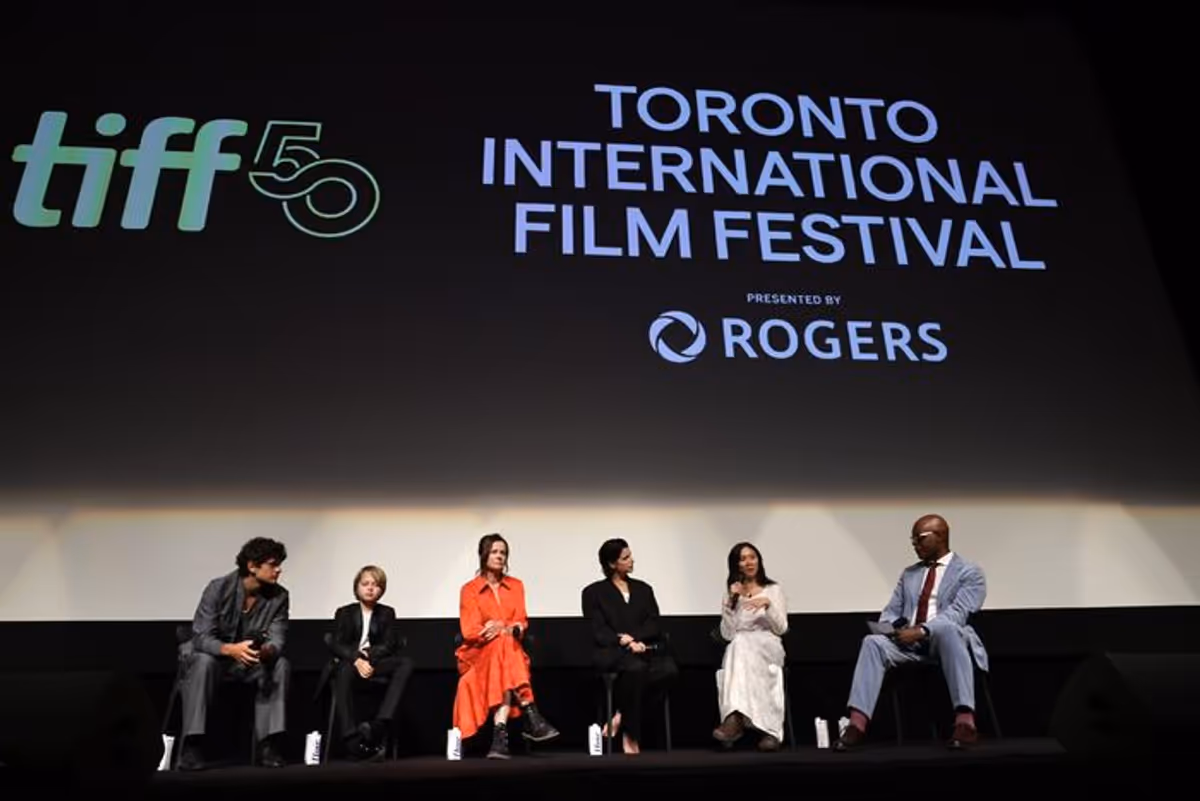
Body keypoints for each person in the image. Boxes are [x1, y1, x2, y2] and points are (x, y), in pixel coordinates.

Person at [834, 514, 988, 751]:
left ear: (940, 535)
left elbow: (958, 614)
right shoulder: (909, 574)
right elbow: (890, 612)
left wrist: (923, 630)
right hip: (908, 644)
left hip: (946, 641)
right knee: (872, 642)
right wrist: (896, 628)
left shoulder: (969, 572)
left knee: (947, 628)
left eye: (920, 539)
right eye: (912, 540)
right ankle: (857, 725)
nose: (915, 545)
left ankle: (965, 722)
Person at [178, 537, 290, 771]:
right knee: (203, 661)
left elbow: (278, 637)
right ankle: (192, 744)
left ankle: (267, 744)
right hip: (215, 658)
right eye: (272, 564)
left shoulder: (279, 596)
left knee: (281, 665)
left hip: (250, 661)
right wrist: (231, 649)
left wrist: (267, 651)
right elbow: (201, 636)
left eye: (279, 564)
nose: (278, 569)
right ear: (252, 566)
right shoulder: (217, 588)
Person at [453, 533, 559, 759]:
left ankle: (499, 738)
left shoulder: (516, 586)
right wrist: (504, 629)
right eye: (494, 552)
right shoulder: (469, 589)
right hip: (477, 655)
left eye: (503, 553)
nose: (499, 556)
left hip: (507, 652)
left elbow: (521, 622)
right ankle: (530, 711)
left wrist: (503, 627)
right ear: (484, 555)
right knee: (505, 644)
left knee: (504, 646)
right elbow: (470, 631)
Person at [581, 538, 678, 754]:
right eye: (625, 558)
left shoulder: (644, 589)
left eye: (630, 555)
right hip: (612, 652)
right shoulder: (593, 592)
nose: (631, 560)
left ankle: (620, 716)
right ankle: (631, 735)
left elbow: (654, 621)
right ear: (612, 564)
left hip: (642, 650)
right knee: (635, 669)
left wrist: (636, 639)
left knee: (668, 670)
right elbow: (597, 628)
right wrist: (621, 640)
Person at [327, 565, 414, 761]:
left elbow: (389, 644)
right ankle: (351, 738)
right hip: (349, 664)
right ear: (357, 587)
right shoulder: (345, 612)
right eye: (365, 584)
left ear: (381, 589)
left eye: (375, 585)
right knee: (343, 668)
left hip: (375, 663)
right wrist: (357, 659)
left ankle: (379, 723)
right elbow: (336, 643)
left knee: (405, 663)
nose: (370, 588)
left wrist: (368, 657)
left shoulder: (387, 613)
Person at [713, 542, 788, 751]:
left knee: (741, 645)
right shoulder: (731, 594)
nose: (749, 562)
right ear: (736, 565)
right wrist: (729, 604)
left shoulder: (773, 590)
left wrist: (768, 604)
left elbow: (781, 628)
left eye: (752, 557)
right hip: (740, 647)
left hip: (767, 644)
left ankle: (743, 722)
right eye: (743, 558)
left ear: (759, 560)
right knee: (739, 643)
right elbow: (728, 634)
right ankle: (751, 724)